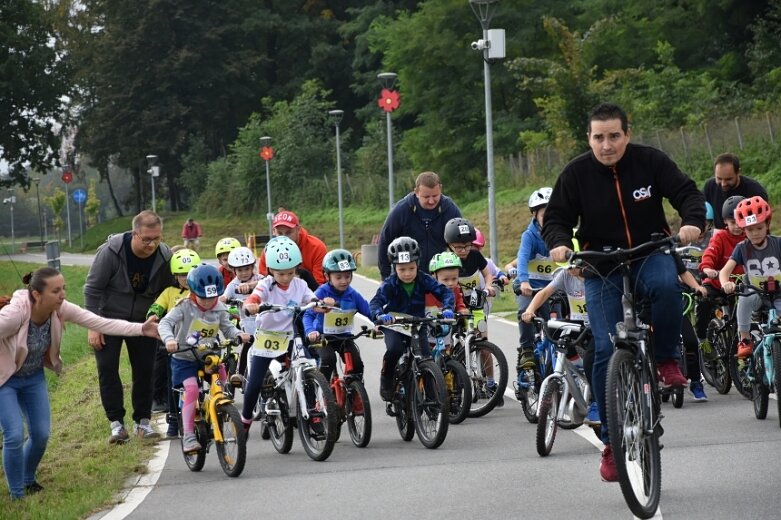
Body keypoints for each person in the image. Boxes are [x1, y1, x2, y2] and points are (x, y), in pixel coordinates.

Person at [541, 102, 705, 482]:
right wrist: (560, 243)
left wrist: (693, 222)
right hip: (602, 264)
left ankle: (665, 359)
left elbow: (687, 194)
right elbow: (557, 219)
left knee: (667, 286)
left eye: (614, 135)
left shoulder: (651, 162)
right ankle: (613, 440)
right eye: (599, 137)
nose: (607, 144)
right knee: (601, 346)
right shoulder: (576, 174)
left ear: (627, 135)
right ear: (589, 138)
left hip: (651, 252)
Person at [0, 267, 159, 499]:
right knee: (14, 435)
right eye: (56, 291)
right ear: (36, 294)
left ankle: (28, 478)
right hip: (6, 380)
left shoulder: (59, 309)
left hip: (33, 377)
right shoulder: (16, 314)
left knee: (41, 434)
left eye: (63, 288)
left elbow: (100, 322)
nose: (63, 294)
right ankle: (17, 494)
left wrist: (141, 329)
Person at [84, 210, 175, 443]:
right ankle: (117, 425)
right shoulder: (112, 252)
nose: (152, 244)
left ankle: (143, 422)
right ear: (134, 234)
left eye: (157, 238)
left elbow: (167, 293)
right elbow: (92, 289)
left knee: (145, 371)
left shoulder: (164, 256)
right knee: (108, 369)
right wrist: (93, 326)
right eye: (146, 239)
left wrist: (163, 322)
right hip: (108, 319)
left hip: (143, 322)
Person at [241, 236, 333, 435]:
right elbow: (255, 296)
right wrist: (252, 303)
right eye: (280, 274)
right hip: (267, 338)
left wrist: (322, 304)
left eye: (290, 273)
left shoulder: (299, 284)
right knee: (255, 383)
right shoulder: (266, 284)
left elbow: (312, 299)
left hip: (291, 335)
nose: (286, 278)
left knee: (308, 367)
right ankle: (245, 420)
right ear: (270, 271)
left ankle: (314, 414)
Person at [159, 263, 251, 452]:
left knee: (222, 377)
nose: (209, 303)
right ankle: (189, 435)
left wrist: (238, 335)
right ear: (193, 292)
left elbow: (227, 327)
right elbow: (165, 323)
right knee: (192, 390)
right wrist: (169, 340)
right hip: (184, 357)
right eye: (203, 298)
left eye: (213, 297)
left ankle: (221, 408)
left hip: (209, 354)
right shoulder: (184, 306)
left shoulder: (219, 307)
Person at [370, 237, 455, 401]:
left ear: (417, 265)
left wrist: (448, 308)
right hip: (394, 325)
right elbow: (376, 302)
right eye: (402, 269)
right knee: (394, 350)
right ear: (395, 268)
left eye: (411, 268)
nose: (407, 273)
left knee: (426, 358)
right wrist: (379, 315)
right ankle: (386, 378)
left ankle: (432, 399)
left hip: (416, 325)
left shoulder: (423, 279)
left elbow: (444, 292)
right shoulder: (390, 283)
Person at [520, 265, 600, 425]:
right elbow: (544, 293)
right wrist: (530, 309)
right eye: (568, 267)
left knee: (592, 360)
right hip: (577, 323)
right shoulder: (565, 275)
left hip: (596, 324)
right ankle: (577, 367)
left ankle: (597, 403)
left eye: (574, 268)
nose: (571, 271)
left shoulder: (595, 275)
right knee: (552, 328)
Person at [146, 248, 201, 438]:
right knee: (174, 385)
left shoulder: (201, 289)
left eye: (189, 273)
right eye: (181, 274)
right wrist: (153, 314)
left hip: (201, 344)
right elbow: (157, 306)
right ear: (175, 276)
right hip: (175, 347)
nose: (186, 278)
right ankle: (173, 419)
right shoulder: (169, 292)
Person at [719, 196, 781, 358]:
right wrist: (726, 283)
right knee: (745, 297)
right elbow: (725, 271)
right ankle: (744, 338)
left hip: (778, 293)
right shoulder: (742, 248)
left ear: (767, 225)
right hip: (756, 293)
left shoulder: (778, 243)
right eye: (750, 229)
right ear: (743, 229)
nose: (755, 233)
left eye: (759, 228)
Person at [377, 171, 463, 280]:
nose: (431, 201)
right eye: (426, 197)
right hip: (407, 275)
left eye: (435, 196)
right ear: (416, 192)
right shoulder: (402, 209)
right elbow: (385, 240)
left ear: (440, 189)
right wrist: (385, 276)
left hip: (438, 275)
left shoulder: (449, 208)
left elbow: (462, 241)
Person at [303, 249, 372, 383]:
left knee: (356, 363)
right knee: (328, 359)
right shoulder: (321, 292)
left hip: (344, 337)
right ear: (327, 276)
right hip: (322, 337)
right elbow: (308, 315)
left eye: (347, 276)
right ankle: (323, 393)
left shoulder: (353, 295)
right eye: (338, 277)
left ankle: (355, 392)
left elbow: (369, 311)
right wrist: (310, 331)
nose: (344, 281)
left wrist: (379, 322)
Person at [513, 188, 557, 375]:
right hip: (529, 287)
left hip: (552, 287)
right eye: (544, 213)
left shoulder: (560, 235)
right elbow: (522, 258)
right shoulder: (529, 236)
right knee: (525, 311)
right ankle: (527, 349)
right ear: (535, 214)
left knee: (558, 323)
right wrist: (523, 282)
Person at [695, 196, 746, 354]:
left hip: (740, 285)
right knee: (704, 301)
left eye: (740, 221)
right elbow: (710, 253)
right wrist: (707, 267)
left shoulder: (751, 237)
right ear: (725, 221)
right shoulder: (720, 237)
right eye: (732, 222)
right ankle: (702, 338)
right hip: (717, 283)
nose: (737, 226)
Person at [220, 246, 263, 388]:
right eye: (240, 270)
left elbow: (270, 282)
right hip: (248, 323)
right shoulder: (233, 285)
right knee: (248, 342)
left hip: (264, 320)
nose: (244, 273)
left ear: (253, 267)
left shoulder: (260, 279)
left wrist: (251, 285)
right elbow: (225, 297)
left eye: (247, 269)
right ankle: (241, 373)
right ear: (233, 270)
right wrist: (223, 299)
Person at [257, 210, 328, 290]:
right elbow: (263, 283)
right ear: (273, 231)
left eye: (289, 232)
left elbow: (319, 285)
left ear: (298, 229)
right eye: (280, 233)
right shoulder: (269, 250)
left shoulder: (317, 247)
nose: (284, 237)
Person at [703, 153, 769, 230]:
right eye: (719, 178)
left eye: (728, 179)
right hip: (721, 237)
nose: (723, 184)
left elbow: (763, 222)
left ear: (738, 172)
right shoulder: (710, 187)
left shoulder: (755, 191)